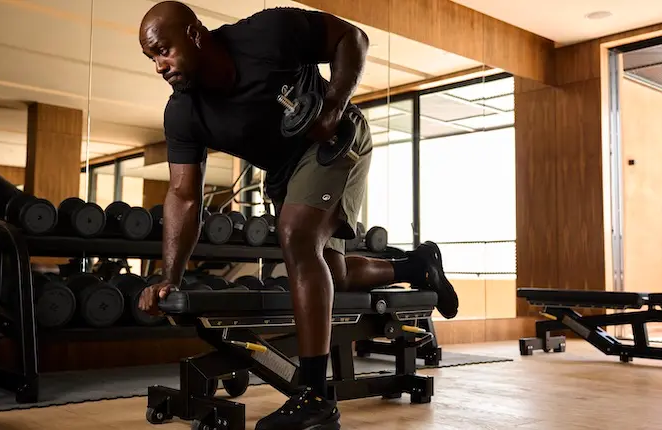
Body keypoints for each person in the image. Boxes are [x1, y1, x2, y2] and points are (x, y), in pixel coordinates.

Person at [137, 3, 459, 429]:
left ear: (194, 34)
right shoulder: (183, 112)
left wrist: (333, 104)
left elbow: (352, 39)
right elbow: (183, 196)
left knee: (296, 237)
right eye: (151, 58)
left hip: (334, 137)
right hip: (285, 171)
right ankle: (416, 265)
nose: (160, 66)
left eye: (163, 51)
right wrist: (170, 276)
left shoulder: (267, 33)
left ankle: (313, 398)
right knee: (334, 274)